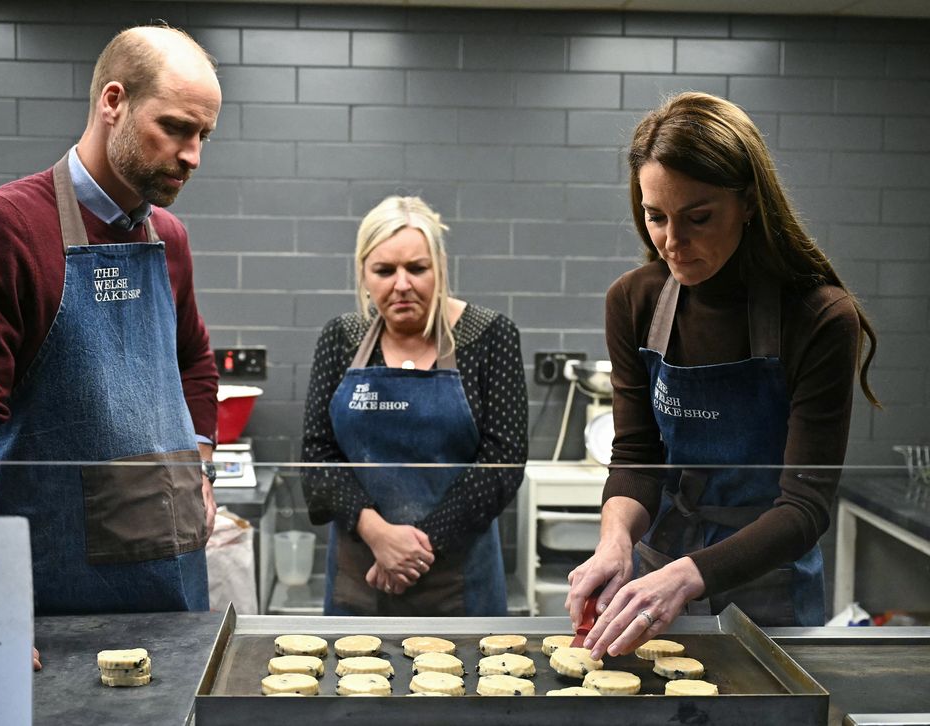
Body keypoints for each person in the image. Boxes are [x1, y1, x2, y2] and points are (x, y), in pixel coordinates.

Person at [0, 25, 222, 632]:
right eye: (175, 128)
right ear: (114, 102)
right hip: (59, 598)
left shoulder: (171, 239)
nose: (192, 155)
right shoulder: (2, 229)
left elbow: (195, 362)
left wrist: (201, 467)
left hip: (174, 580)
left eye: (203, 135)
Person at [566, 92, 879, 659]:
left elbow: (804, 508)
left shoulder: (817, 317)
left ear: (750, 203)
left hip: (767, 590)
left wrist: (688, 577)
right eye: (654, 216)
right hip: (655, 579)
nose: (672, 242)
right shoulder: (634, 302)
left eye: (698, 217)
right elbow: (637, 456)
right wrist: (614, 542)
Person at [301, 195, 528, 616]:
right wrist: (379, 535)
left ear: (440, 267)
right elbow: (317, 460)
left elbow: (502, 463)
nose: (401, 284)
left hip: (459, 581)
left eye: (417, 269)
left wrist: (417, 547)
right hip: (362, 575)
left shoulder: (490, 335)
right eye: (384, 271)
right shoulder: (342, 337)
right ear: (364, 274)